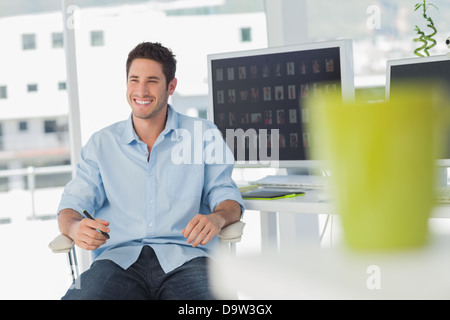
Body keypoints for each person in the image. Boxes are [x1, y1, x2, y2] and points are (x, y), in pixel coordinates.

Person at [57, 42, 244, 300]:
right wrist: (75, 228)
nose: (141, 90)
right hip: (117, 262)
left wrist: (218, 218)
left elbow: (227, 196)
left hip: (187, 258)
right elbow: (71, 205)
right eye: (134, 80)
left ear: (171, 86)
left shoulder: (203, 135)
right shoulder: (102, 143)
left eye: (152, 81)